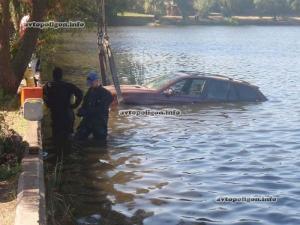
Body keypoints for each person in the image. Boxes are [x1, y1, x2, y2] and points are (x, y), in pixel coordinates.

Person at [43, 67, 83, 146]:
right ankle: (68, 152)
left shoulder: (49, 86)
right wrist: (74, 105)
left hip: (56, 115)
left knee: (56, 137)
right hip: (67, 114)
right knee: (68, 137)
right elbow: (80, 94)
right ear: (62, 76)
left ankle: (58, 154)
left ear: (53, 76)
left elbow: (44, 95)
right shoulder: (68, 86)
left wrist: (48, 104)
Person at [75, 72, 113, 142]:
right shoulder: (90, 91)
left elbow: (101, 109)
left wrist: (87, 112)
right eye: (89, 83)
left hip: (99, 123)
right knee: (78, 138)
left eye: (91, 83)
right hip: (88, 121)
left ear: (97, 81)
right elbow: (84, 104)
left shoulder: (106, 94)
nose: (90, 85)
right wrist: (81, 110)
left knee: (100, 143)